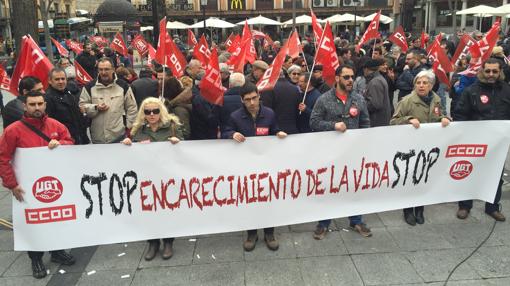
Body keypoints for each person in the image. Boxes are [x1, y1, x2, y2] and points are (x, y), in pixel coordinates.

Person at [0, 90, 76, 279]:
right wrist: (12, 184)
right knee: (34, 222)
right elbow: (3, 158)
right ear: (25, 106)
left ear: (45, 104)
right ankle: (36, 258)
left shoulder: (55, 125)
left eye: (40, 104)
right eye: (32, 104)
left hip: (55, 185)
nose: (37, 108)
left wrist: (60, 143)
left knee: (56, 219)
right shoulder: (13, 130)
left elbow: (70, 142)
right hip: (27, 188)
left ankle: (57, 251)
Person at [221, 82, 287, 252]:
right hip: (246, 167)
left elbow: (275, 130)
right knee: (250, 200)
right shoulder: (235, 116)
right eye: (247, 100)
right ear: (242, 100)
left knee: (268, 199)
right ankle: (252, 234)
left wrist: (278, 133)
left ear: (259, 96)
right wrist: (231, 134)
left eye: (254, 98)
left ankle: (269, 233)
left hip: (266, 166)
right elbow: (225, 132)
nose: (252, 103)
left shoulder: (269, 114)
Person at [309, 64, 372, 239]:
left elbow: (365, 122)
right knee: (329, 187)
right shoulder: (323, 99)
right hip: (330, 154)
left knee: (353, 186)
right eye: (346, 77)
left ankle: (356, 220)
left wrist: (363, 142)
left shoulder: (359, 99)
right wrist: (332, 125)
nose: (351, 80)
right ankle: (323, 223)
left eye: (352, 77)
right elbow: (313, 122)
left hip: (353, 153)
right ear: (337, 79)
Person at [121, 97, 183, 260]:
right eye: (147, 112)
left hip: (167, 177)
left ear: (161, 110)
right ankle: (153, 242)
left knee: (167, 209)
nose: (151, 114)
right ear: (143, 113)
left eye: (155, 111)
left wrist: (179, 142)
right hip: (146, 178)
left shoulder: (172, 126)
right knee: (148, 210)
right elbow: (131, 150)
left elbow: (185, 148)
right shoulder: (138, 130)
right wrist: (128, 143)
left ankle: (168, 242)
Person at [390, 70, 450, 225]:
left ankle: (420, 209)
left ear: (431, 85)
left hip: (428, 147)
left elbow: (439, 114)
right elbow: (393, 121)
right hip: (411, 148)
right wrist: (408, 119)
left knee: (424, 177)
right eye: (418, 82)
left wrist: (444, 118)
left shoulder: (436, 99)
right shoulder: (407, 101)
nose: (421, 85)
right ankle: (408, 210)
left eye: (425, 83)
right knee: (410, 178)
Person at [453, 58, 510, 222]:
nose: (491, 74)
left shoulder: (507, 90)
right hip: (475, 142)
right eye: (488, 71)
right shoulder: (471, 91)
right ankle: (464, 205)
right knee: (469, 172)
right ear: (482, 71)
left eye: (495, 71)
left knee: (495, 175)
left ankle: (492, 207)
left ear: (500, 72)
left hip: (498, 143)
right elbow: (460, 114)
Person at [79, 57, 138, 144]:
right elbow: (82, 106)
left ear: (113, 69)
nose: (103, 72)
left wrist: (128, 128)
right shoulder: (89, 87)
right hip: (98, 137)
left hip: (119, 136)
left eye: (106, 69)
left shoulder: (123, 86)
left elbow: (132, 108)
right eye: (100, 69)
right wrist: (95, 107)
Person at [45, 68, 90, 144]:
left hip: (78, 139)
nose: (61, 82)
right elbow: (49, 124)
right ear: (50, 81)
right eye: (57, 79)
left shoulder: (69, 94)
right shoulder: (48, 99)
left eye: (63, 79)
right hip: (64, 141)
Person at [363, 59, 391, 127]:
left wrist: (361, 103)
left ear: (366, 69)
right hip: (380, 121)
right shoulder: (378, 79)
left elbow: (375, 104)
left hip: (376, 121)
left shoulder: (375, 82)